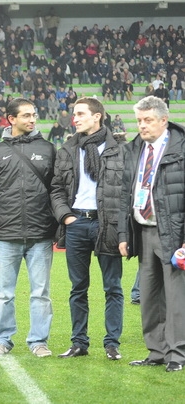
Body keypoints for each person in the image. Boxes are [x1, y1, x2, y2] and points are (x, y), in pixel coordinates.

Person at [50, 97, 125, 361]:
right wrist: (66, 217)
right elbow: (56, 188)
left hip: (108, 224)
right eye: (74, 114)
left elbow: (126, 190)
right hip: (77, 223)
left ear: (97, 116)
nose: (75, 118)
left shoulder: (119, 149)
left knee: (112, 287)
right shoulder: (68, 149)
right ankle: (79, 343)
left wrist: (121, 226)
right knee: (78, 288)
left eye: (81, 113)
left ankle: (112, 344)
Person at [0, 99, 57, 358]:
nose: (32, 119)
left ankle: (39, 342)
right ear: (11, 119)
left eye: (34, 115)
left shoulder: (48, 149)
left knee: (41, 293)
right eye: (26, 115)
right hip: (5, 235)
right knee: (4, 294)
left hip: (41, 234)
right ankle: (2, 341)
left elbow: (57, 191)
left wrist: (56, 229)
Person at [118, 96, 185, 372]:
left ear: (163, 120)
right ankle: (156, 351)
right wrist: (124, 233)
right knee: (149, 295)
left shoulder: (180, 149)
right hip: (143, 230)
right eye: (139, 121)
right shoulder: (135, 149)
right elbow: (125, 193)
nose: (142, 126)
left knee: (176, 297)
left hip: (174, 232)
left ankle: (177, 354)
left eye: (148, 120)